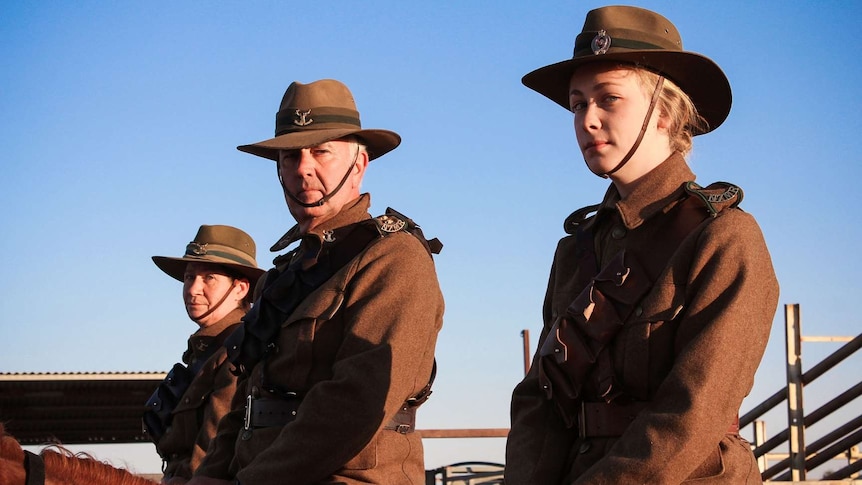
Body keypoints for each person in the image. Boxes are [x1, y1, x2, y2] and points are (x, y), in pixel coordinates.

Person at [505, 6, 779, 484]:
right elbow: (542, 401)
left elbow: (693, 411)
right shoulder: (577, 250)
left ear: (665, 112)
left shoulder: (724, 236)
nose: (587, 120)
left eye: (609, 98)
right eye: (577, 104)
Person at [187, 79, 444, 485]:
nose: (303, 168)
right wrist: (211, 476)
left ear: (359, 165)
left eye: (321, 152)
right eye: (290, 156)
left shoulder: (394, 257)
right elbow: (248, 400)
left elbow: (355, 401)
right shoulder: (287, 274)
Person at [144, 225, 265, 483]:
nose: (193, 289)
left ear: (241, 289)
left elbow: (212, 450)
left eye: (209, 277)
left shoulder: (238, 353)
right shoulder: (204, 353)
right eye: (189, 278)